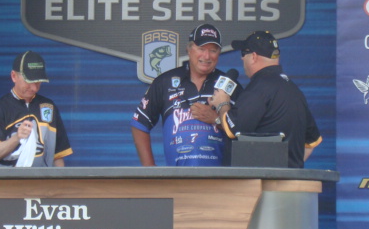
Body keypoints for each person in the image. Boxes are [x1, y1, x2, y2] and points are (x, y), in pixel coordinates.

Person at [130, 23, 240, 166]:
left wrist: (216, 119)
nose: (206, 56)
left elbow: (244, 132)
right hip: (177, 177)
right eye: (201, 49)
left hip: (221, 177)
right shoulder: (165, 82)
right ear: (189, 49)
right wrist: (150, 170)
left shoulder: (231, 86)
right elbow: (139, 124)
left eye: (213, 50)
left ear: (219, 53)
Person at [209, 31, 322, 168]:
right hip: (289, 180)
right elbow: (311, 142)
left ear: (254, 56)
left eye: (244, 54)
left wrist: (222, 102)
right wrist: (287, 171)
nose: (242, 58)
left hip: (259, 180)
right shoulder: (294, 90)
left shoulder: (259, 87)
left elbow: (232, 128)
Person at [0, 51, 72, 167]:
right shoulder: (0, 108)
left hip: (42, 178)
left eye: (38, 82)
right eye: (29, 81)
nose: (34, 88)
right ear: (14, 76)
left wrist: (61, 178)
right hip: (8, 178)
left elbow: (57, 155)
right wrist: (17, 137)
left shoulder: (49, 106)